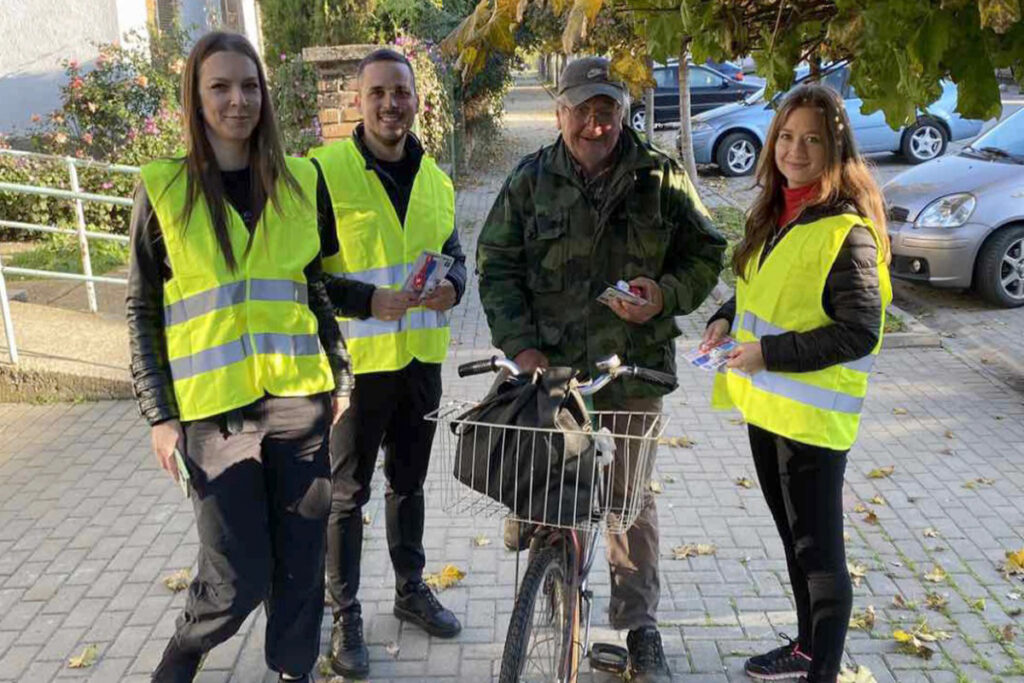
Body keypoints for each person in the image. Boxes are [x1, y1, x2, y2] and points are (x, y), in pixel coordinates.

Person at [477, 56, 727, 683]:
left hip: (632, 371)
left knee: (628, 504)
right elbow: (496, 263)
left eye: (606, 109)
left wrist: (665, 294)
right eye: (582, 110)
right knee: (541, 477)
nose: (595, 124)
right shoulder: (530, 181)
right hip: (550, 371)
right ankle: (546, 561)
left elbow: (708, 251)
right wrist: (521, 346)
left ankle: (640, 629)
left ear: (622, 110)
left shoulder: (661, 179)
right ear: (559, 111)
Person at [126, 31, 352, 683]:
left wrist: (339, 370)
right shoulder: (163, 189)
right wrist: (159, 415)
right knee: (236, 575)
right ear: (195, 99)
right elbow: (140, 309)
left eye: (249, 85)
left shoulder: (303, 179)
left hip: (298, 403)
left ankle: (292, 668)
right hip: (212, 415)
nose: (237, 100)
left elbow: (313, 287)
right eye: (219, 86)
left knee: (303, 559)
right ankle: (183, 653)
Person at [704, 83, 892, 683]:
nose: (795, 149)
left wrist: (768, 353)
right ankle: (807, 650)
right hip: (771, 410)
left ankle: (823, 670)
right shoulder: (779, 211)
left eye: (812, 138)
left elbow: (859, 332)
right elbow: (769, 285)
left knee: (819, 556)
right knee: (794, 543)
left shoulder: (847, 231)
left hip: (812, 422)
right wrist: (725, 317)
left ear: (836, 148)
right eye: (786, 136)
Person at [308, 48, 467, 679]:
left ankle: (409, 590)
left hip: (420, 362)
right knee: (347, 494)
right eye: (377, 93)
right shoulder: (324, 173)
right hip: (355, 366)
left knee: (409, 484)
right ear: (359, 100)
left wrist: (454, 285)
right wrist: (368, 299)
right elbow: (304, 275)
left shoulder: (437, 178)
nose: (389, 104)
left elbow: (454, 254)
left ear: (415, 100)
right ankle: (343, 613)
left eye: (400, 92)